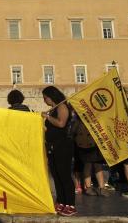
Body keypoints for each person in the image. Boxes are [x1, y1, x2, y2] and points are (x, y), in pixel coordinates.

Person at [41, 86, 76, 216]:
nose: (44, 100)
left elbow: (61, 123)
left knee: (64, 175)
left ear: (52, 96)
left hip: (63, 146)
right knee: (56, 174)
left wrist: (47, 117)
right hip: (52, 146)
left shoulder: (62, 107)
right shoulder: (54, 109)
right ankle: (61, 201)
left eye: (45, 98)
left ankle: (70, 204)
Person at [74, 119, 111, 197]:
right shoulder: (79, 119)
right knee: (88, 164)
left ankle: (101, 187)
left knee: (98, 165)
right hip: (85, 143)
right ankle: (89, 187)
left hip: (95, 142)